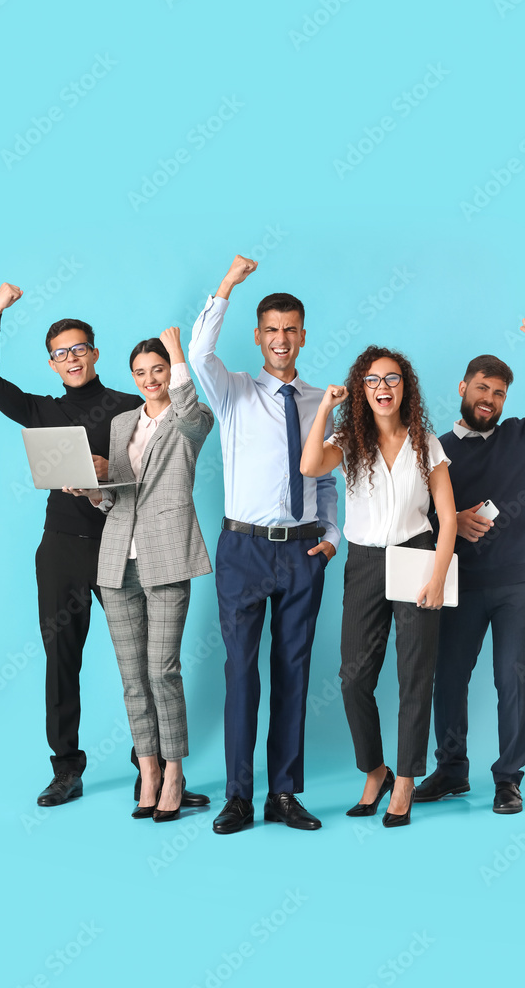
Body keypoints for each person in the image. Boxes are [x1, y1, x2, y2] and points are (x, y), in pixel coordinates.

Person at [188, 255, 340, 834]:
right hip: (244, 550)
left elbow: (326, 478)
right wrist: (227, 284)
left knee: (294, 671)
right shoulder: (233, 392)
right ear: (257, 337)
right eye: (271, 330)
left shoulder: (321, 401)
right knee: (241, 674)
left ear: (303, 336)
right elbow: (199, 352)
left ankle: (284, 794)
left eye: (290, 329)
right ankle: (238, 797)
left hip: (302, 552)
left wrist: (331, 536)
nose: (281, 339)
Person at [0, 283, 142, 807]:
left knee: (139, 658)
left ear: (95, 353)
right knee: (61, 658)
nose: (71, 358)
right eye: (60, 353)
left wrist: (110, 470)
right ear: (52, 364)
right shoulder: (41, 410)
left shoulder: (130, 407)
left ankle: (151, 764)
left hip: (119, 544)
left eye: (79, 348)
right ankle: (66, 767)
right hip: (61, 550)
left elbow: (155, 476)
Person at [415, 316, 525, 814]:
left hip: (518, 580)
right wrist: (450, 519)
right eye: (482, 388)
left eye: (499, 393)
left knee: (512, 676)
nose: (489, 399)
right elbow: (414, 515)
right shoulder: (435, 451)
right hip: (459, 581)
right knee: (449, 677)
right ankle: (451, 770)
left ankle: (508, 778)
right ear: (463, 388)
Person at [301, 346, 456, 826]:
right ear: (361, 389)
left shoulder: (426, 443)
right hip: (365, 562)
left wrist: (437, 576)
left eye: (391, 379)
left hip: (417, 556)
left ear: (405, 387)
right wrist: (325, 408)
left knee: (415, 676)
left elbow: (448, 517)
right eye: (372, 380)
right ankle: (375, 770)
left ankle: (405, 780)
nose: (382, 387)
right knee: (354, 678)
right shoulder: (349, 439)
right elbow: (310, 466)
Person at [64, 329, 213, 820]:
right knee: (132, 677)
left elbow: (190, 416)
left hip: (168, 554)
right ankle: (148, 772)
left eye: (159, 369)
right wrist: (92, 490)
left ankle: (174, 774)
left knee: (162, 671)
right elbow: (117, 497)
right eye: (141, 372)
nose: (150, 379)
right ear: (132, 377)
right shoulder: (123, 421)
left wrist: (179, 353)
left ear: (170, 372)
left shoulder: (192, 416)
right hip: (117, 559)